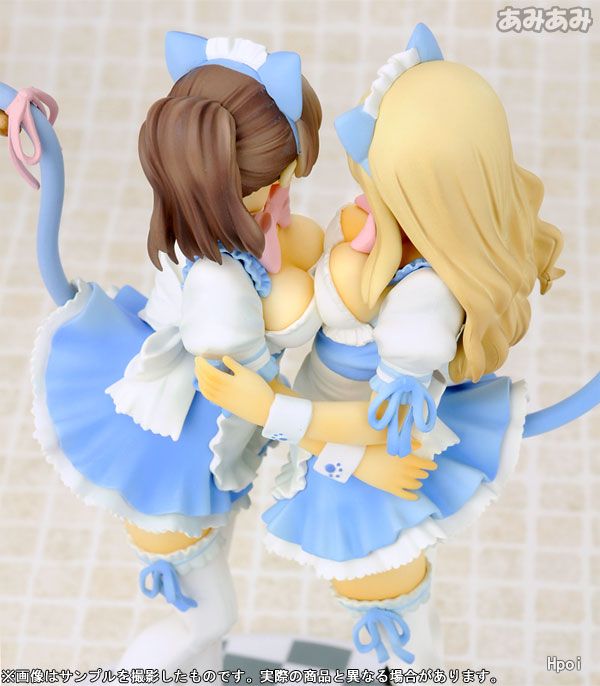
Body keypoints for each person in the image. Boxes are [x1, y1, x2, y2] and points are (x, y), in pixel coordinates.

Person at [196, 24, 565, 670]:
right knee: (402, 629)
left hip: (363, 470)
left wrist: (270, 409)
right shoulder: (393, 238)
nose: (365, 201)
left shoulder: (421, 306)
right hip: (337, 438)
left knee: (396, 639)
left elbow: (386, 425)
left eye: (384, 187)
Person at [2, 32, 323, 670]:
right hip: (178, 460)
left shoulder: (203, 245)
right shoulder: (220, 289)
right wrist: (312, 424)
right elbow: (247, 386)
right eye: (282, 182)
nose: (287, 195)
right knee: (212, 616)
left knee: (211, 603)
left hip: (197, 452)